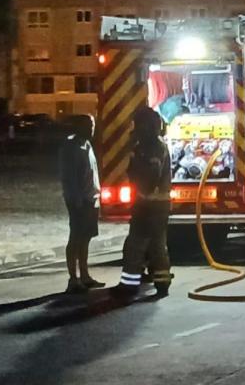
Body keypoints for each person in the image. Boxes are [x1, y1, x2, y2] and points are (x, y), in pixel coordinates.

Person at [113, 107, 173, 299]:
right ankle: (162, 283)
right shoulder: (153, 145)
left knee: (135, 245)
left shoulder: (151, 147)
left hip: (148, 205)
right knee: (157, 245)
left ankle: (129, 285)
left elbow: (149, 175)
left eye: (139, 125)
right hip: (158, 205)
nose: (136, 129)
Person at [59, 115, 104, 293]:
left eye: (92, 125)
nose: (91, 129)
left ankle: (85, 275)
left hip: (91, 199)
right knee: (76, 238)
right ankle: (73, 278)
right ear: (78, 127)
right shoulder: (71, 148)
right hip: (79, 201)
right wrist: (76, 200)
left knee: (85, 238)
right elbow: (69, 178)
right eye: (87, 126)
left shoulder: (88, 145)